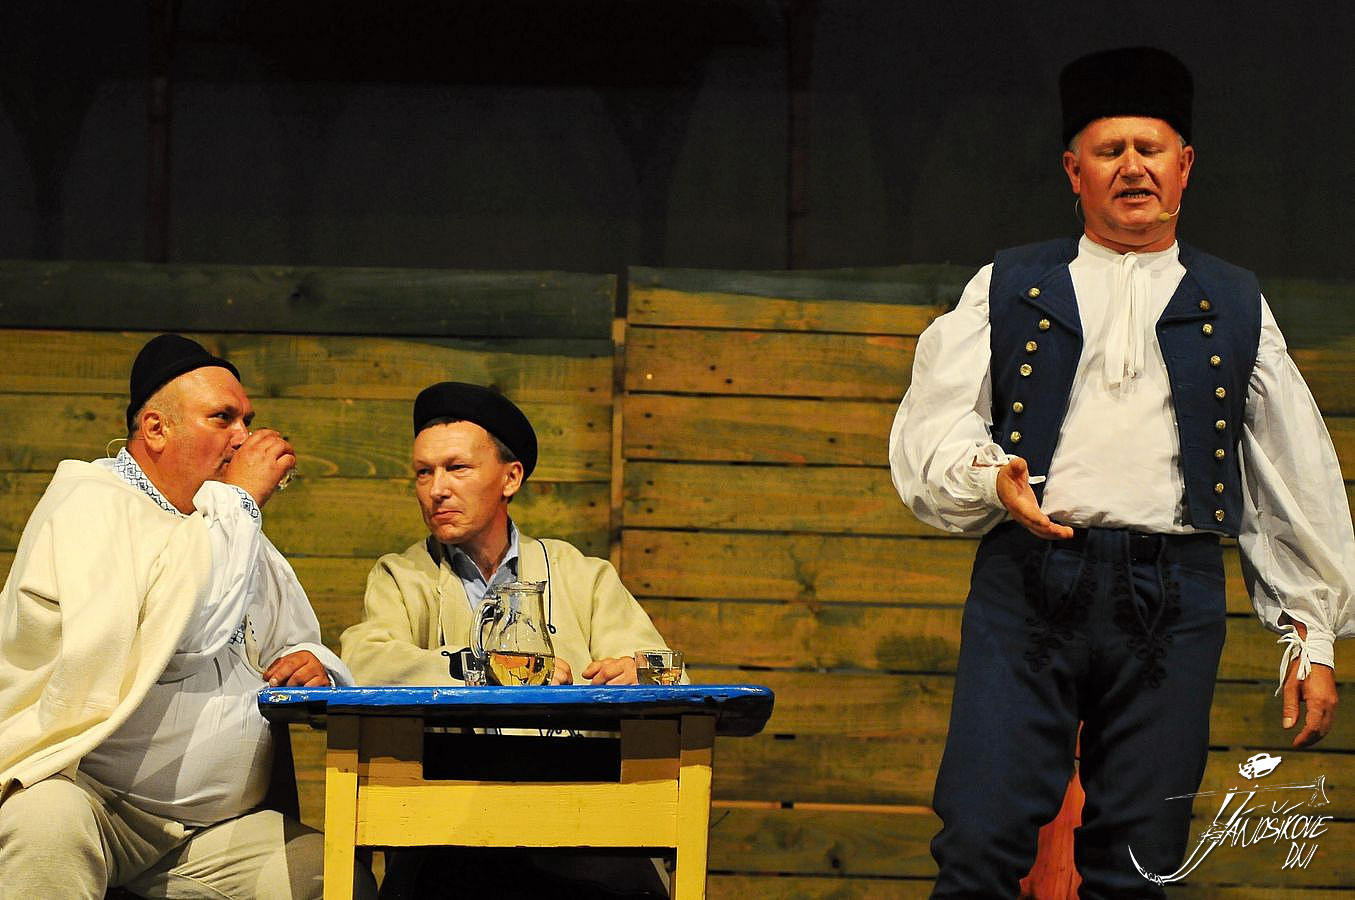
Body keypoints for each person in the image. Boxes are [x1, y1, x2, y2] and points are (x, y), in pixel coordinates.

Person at [889, 47, 1354, 897]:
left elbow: (1290, 476)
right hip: (1030, 583)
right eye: (1109, 151)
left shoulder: (1235, 303)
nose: (1131, 168)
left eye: (1150, 149)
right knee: (979, 838)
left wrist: (1308, 636)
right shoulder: (1010, 284)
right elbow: (936, 422)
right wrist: (988, 477)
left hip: (1171, 595)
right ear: (1074, 171)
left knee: (1140, 859)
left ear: (1184, 166)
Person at [0, 334, 375, 899]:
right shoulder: (91, 504)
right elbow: (187, 639)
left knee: (334, 878)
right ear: (156, 428)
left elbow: (293, 641)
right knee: (43, 824)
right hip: (91, 802)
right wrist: (241, 499)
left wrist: (312, 665)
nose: (243, 438)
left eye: (247, 420)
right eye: (222, 418)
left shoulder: (226, 527)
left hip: (213, 832)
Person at [340, 381, 675, 898]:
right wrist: (487, 668)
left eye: (457, 468)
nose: (436, 489)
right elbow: (364, 663)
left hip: (578, 811)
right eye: (424, 472)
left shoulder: (581, 575)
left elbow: (671, 672)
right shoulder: (402, 576)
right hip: (445, 813)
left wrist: (640, 671)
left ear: (510, 477)